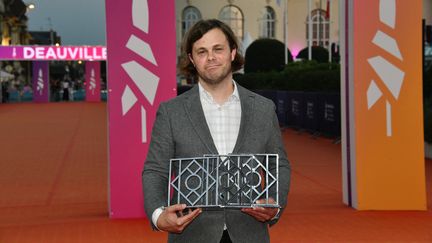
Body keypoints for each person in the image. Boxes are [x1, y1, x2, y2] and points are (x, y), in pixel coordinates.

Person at [142, 19, 291, 243]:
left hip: (249, 232)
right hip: (192, 234)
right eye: (201, 51)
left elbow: (278, 165)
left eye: (218, 49)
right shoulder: (171, 112)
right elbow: (156, 170)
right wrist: (158, 215)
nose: (211, 57)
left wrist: (274, 205)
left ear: (232, 52)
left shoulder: (263, 108)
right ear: (192, 59)